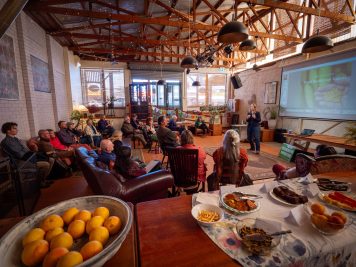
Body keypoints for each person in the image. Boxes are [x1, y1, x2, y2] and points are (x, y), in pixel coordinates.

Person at [1, 122, 54, 188]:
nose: (17, 130)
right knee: (46, 164)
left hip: (27, 158)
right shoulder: (6, 141)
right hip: (21, 162)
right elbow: (19, 154)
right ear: (8, 130)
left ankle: (43, 179)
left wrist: (32, 153)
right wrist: (31, 154)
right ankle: (40, 182)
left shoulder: (15, 139)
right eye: (14, 128)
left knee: (51, 159)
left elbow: (24, 150)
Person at [272, 144, 337, 180]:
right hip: (296, 176)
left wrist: (285, 172)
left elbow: (294, 173)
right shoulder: (331, 168)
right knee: (285, 168)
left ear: (318, 155)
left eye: (316, 151)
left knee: (276, 166)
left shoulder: (309, 163)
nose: (315, 152)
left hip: (288, 178)